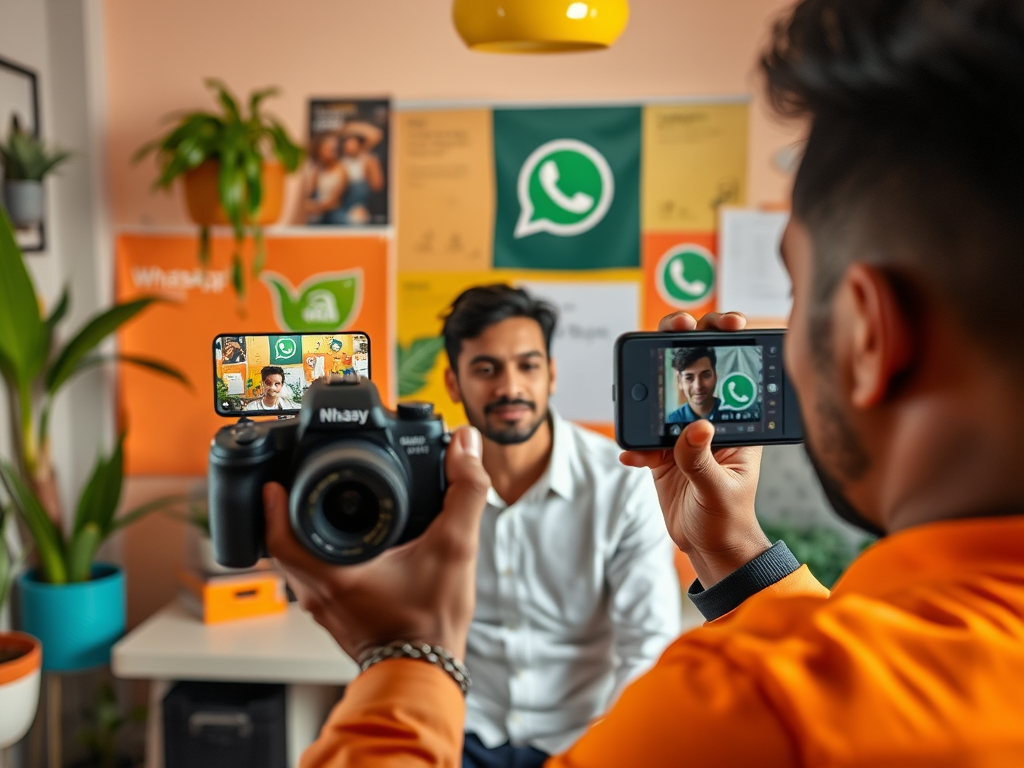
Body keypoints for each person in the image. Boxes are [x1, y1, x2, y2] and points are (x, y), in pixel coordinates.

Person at [264, 0, 1024, 764]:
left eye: (797, 295)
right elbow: (862, 690)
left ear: (865, 334)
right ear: (457, 383)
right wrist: (736, 554)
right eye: (487, 368)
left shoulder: (751, 704)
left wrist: (404, 656)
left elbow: (788, 695)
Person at [437, 285, 679, 766]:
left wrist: (610, 746)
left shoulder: (623, 483)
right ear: (453, 383)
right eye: (486, 369)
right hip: (460, 728)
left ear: (551, 374)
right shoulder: (424, 483)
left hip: (585, 736)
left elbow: (647, 644)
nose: (510, 387)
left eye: (527, 365)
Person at [304, 122, 384, 226]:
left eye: (352, 141)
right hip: (335, 207)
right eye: (346, 141)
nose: (348, 145)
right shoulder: (340, 161)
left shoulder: (366, 160)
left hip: (353, 207)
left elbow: (377, 185)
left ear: (360, 144)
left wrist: (351, 128)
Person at [665, 346, 720, 423]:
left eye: (706, 376)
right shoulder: (673, 420)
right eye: (689, 378)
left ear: (715, 377)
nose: (698, 386)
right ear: (680, 382)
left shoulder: (734, 412)